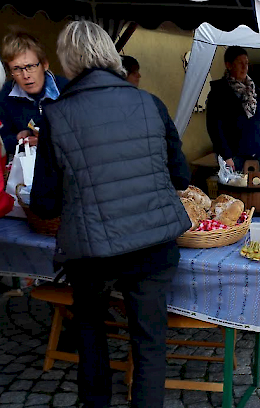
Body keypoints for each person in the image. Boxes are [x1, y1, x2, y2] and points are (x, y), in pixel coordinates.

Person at [30, 21, 191, 408]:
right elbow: (180, 176)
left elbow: (44, 203)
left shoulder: (57, 114)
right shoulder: (149, 102)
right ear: (109, 54)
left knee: (91, 337)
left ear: (68, 61)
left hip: (91, 249)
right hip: (152, 241)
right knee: (149, 342)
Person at [206, 46, 260, 171]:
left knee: (257, 188)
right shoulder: (219, 92)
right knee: (236, 189)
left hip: (256, 152)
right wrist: (226, 155)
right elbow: (214, 127)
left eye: (246, 63)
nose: (244, 67)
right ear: (229, 65)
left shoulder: (253, 89)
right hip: (234, 155)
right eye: (240, 63)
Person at [0, 31, 68, 155]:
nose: (25, 75)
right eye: (17, 69)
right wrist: (19, 138)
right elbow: (2, 141)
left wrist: (47, 140)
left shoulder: (65, 89)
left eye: (30, 66)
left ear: (44, 65)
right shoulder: (6, 95)